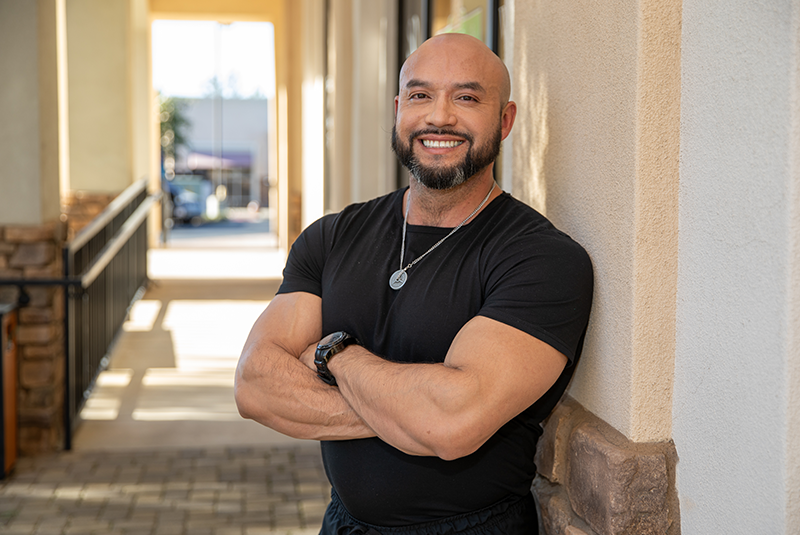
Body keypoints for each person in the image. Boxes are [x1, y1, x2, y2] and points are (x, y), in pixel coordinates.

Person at [235, 33, 593, 534]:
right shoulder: (333, 236)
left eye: (466, 98)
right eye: (421, 95)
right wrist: (409, 417)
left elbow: (450, 422)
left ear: (505, 120)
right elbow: (255, 383)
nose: (439, 117)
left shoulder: (541, 258)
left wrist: (334, 354)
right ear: (400, 108)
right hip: (343, 523)